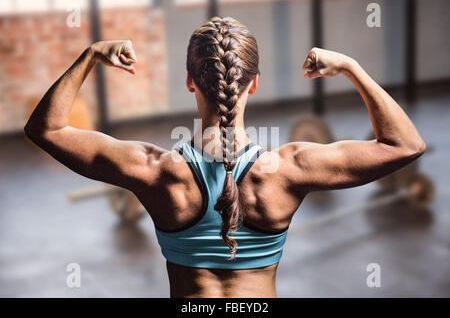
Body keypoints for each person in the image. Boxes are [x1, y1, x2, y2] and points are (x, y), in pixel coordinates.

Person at [24, 17, 426, 298]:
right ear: (254, 84)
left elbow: (47, 129)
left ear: (188, 82)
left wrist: (91, 55)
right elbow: (403, 144)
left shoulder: (156, 171)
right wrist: (351, 67)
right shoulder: (289, 169)